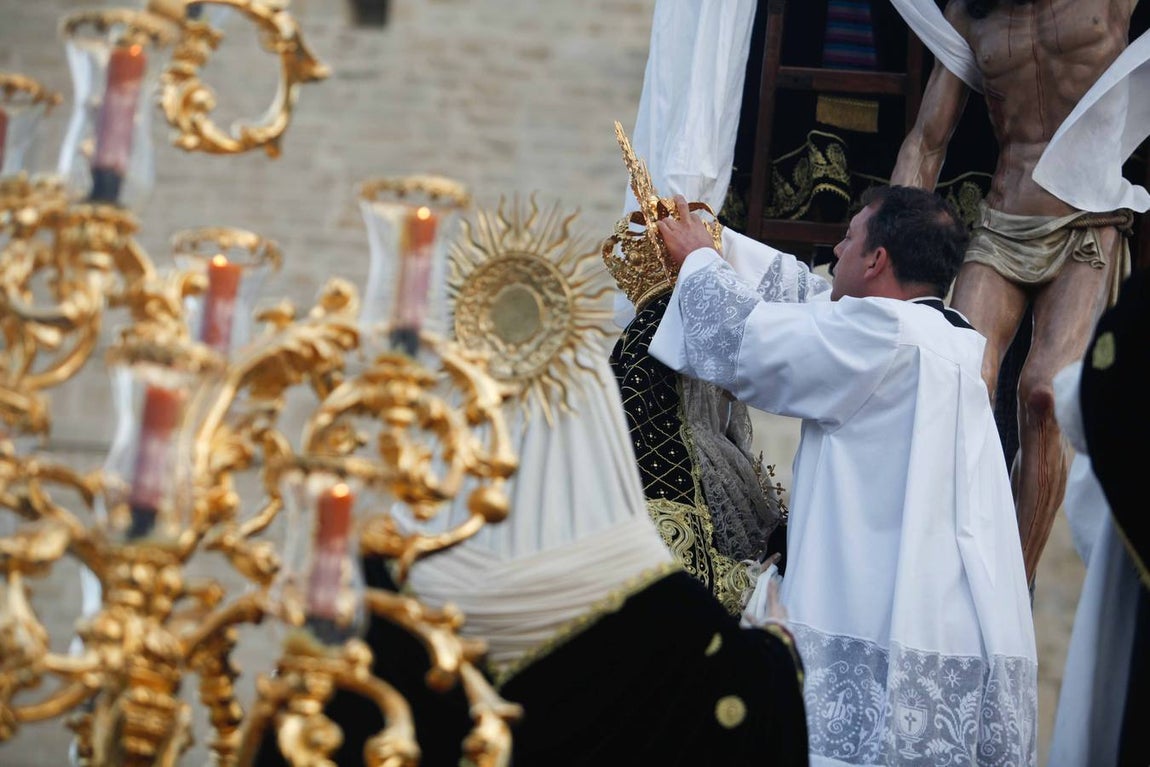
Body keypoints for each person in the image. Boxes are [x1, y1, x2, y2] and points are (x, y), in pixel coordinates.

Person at [650, 186, 1037, 765]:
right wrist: (723, 246)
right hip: (950, 619)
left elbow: (751, 341)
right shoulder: (947, 335)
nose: (835, 249)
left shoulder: (880, 336)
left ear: (877, 260)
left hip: (869, 614)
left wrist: (698, 263)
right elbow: (810, 303)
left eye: (849, 238)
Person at [889, 0, 1140, 585]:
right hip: (1003, 222)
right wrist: (891, 249)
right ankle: (946, 567)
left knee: (1046, 394)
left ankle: (1012, 590)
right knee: (957, 378)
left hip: (1090, 220)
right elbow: (927, 141)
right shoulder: (972, 14)